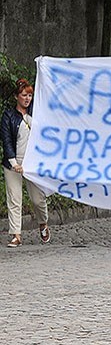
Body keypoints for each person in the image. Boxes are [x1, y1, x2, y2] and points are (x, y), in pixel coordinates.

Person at [1, 79, 50, 247]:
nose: (27, 98)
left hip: (33, 163)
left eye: (30, 95)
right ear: (16, 96)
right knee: (15, 199)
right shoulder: (8, 116)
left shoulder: (36, 114)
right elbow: (6, 141)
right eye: (24, 95)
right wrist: (14, 163)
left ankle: (43, 223)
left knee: (38, 199)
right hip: (13, 164)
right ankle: (16, 235)